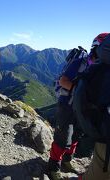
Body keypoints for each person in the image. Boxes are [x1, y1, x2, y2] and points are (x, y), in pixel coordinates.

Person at [48, 46, 91, 179]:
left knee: (76, 135)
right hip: (67, 104)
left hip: (81, 107)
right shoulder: (80, 62)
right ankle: (53, 167)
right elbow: (63, 81)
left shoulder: (99, 66)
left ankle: (67, 161)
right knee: (63, 137)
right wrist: (81, 91)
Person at [73, 33, 110, 180]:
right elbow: (63, 81)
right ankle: (56, 164)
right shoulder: (92, 67)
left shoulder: (99, 69)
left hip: (103, 136)